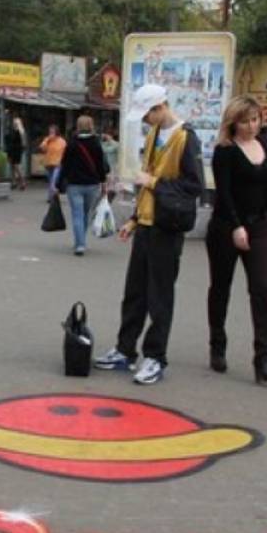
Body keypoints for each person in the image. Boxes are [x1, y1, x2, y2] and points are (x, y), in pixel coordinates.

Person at [94, 84, 203, 385]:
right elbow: (147, 181)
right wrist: (134, 219)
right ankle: (125, 350)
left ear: (160, 107)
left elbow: (193, 186)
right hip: (147, 222)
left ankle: (155, 356)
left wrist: (152, 182)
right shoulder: (155, 133)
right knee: (135, 292)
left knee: (160, 296)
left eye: (147, 115)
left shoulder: (186, 137)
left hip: (167, 227)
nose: (145, 121)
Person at [206, 96, 267, 385]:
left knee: (262, 288)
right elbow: (224, 193)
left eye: (255, 119)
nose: (252, 126)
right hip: (226, 227)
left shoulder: (263, 146)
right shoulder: (225, 151)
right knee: (221, 287)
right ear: (233, 123)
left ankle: (262, 357)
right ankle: (217, 345)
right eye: (245, 121)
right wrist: (235, 226)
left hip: (258, 227)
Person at [55, 115, 108, 256]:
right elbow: (101, 165)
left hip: (74, 185)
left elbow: (64, 165)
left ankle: (80, 244)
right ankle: (81, 241)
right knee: (85, 214)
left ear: (78, 126)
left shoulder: (72, 143)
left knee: (77, 214)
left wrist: (58, 184)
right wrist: (103, 182)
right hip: (92, 185)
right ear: (91, 125)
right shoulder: (96, 143)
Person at [39, 125, 67, 201]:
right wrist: (46, 141)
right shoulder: (48, 140)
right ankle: (51, 197)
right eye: (50, 132)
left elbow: (65, 152)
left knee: (54, 180)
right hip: (48, 163)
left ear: (56, 132)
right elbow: (42, 149)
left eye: (52, 132)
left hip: (57, 163)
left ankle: (53, 196)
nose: (51, 134)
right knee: (50, 180)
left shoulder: (62, 141)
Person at [4, 117, 28, 191]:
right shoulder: (12, 131)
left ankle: (23, 182)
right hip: (11, 150)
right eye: (14, 122)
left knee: (16, 166)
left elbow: (24, 143)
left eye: (16, 123)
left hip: (17, 150)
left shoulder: (21, 131)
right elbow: (8, 140)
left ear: (19, 123)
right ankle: (14, 182)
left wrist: (22, 148)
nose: (14, 124)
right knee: (12, 166)